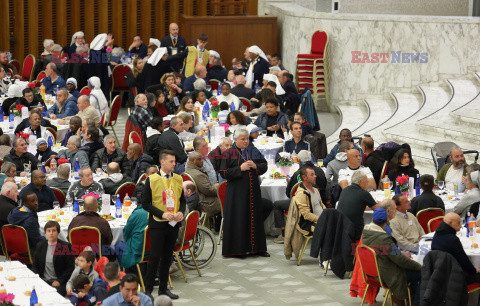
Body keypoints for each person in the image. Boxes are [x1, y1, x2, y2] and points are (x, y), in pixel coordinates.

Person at [142, 150, 186, 299]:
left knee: (168, 257)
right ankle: (148, 290)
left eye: (175, 161)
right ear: (162, 162)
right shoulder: (152, 179)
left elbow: (183, 200)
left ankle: (163, 288)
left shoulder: (179, 178)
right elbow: (145, 204)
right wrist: (161, 214)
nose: (174, 164)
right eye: (171, 161)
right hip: (158, 223)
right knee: (154, 257)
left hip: (173, 223)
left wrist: (180, 211)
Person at [219, 129, 268, 257]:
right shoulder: (228, 153)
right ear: (235, 140)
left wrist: (256, 166)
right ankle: (239, 250)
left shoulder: (253, 150)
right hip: (237, 193)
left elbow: (265, 165)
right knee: (240, 219)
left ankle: (258, 249)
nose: (246, 141)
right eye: (243, 139)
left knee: (255, 218)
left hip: (253, 192)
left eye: (247, 139)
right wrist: (240, 169)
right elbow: (223, 173)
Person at [362, 203, 422, 305]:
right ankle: (413, 301)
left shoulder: (367, 233)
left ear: (372, 219)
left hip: (373, 272)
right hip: (387, 273)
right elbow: (400, 260)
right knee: (421, 273)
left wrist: (398, 252)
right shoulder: (384, 238)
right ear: (387, 220)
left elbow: (390, 252)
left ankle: (408, 298)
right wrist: (420, 267)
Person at [432, 212, 480, 284]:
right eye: (458, 223)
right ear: (450, 223)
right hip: (455, 277)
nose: (461, 226)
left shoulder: (437, 234)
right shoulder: (452, 239)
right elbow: (464, 262)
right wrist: (474, 270)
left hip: (440, 273)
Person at [33, 221, 75, 296]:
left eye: (54, 230)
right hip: (44, 280)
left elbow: (70, 268)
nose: (51, 233)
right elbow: (35, 266)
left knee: (55, 294)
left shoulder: (65, 246)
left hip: (59, 282)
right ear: (45, 233)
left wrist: (59, 281)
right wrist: (37, 279)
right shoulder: (40, 245)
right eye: (48, 231)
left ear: (58, 232)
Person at [337, 171, 378, 240]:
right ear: (360, 182)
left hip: (340, 228)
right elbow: (377, 209)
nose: (367, 184)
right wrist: (381, 203)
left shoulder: (345, 190)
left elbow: (356, 205)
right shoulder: (363, 193)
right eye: (366, 181)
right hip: (355, 230)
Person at [185, 152, 221, 218]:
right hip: (205, 204)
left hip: (195, 201)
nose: (202, 161)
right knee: (228, 199)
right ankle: (222, 226)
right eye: (199, 159)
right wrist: (220, 188)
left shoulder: (186, 171)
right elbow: (209, 190)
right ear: (193, 161)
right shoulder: (197, 175)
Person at [294, 166, 326, 233]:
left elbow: (321, 204)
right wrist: (322, 219)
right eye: (312, 175)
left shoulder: (315, 189)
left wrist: (327, 214)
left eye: (314, 174)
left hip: (322, 218)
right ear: (304, 177)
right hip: (310, 223)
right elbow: (306, 215)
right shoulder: (302, 194)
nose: (315, 176)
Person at [118, 200, 149, 269]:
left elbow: (126, 233)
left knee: (119, 246)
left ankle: (126, 274)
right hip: (158, 249)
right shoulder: (161, 212)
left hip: (139, 250)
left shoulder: (138, 213)